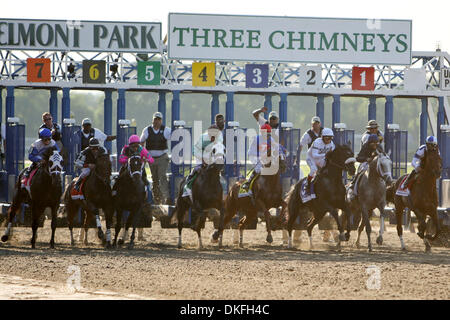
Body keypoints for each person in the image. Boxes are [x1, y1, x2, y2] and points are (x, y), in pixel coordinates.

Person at [183, 125, 222, 200]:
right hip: (201, 159)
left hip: (211, 161)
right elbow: (195, 151)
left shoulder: (219, 139)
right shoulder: (202, 138)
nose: (213, 137)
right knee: (195, 172)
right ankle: (187, 189)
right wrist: (203, 159)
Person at [140, 111, 171, 204]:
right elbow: (141, 142)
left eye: (159, 119)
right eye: (155, 119)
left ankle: (166, 197)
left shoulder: (166, 130)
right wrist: (144, 155)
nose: (157, 121)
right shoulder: (147, 130)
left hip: (162, 157)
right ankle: (157, 198)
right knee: (155, 178)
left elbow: (175, 138)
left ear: (161, 121)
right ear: (152, 120)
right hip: (151, 158)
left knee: (162, 176)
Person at [241, 123, 281, 195]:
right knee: (259, 168)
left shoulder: (270, 139)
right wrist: (262, 156)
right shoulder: (257, 139)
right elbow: (252, 151)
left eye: (269, 133)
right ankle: (248, 183)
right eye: (266, 133)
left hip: (264, 157)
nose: (268, 135)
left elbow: (276, 147)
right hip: (254, 156)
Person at [347, 134, 383, 201]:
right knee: (361, 171)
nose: (375, 144)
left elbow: (383, 155)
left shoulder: (379, 147)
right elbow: (358, 158)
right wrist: (366, 159)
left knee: (384, 171)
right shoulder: (365, 146)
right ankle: (353, 185)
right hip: (366, 164)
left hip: (376, 164)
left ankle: (386, 188)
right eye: (373, 143)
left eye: (376, 142)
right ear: (369, 142)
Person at [305, 128, 335, 194]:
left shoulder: (331, 144)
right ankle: (307, 185)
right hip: (311, 158)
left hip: (321, 158)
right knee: (314, 169)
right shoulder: (317, 142)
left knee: (328, 169)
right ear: (322, 137)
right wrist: (326, 154)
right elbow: (314, 155)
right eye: (327, 138)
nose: (329, 140)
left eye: (330, 138)